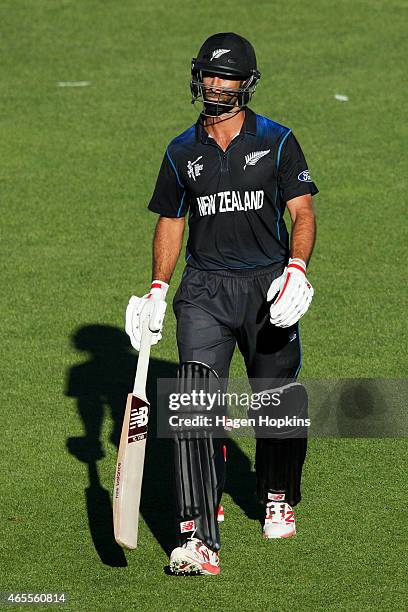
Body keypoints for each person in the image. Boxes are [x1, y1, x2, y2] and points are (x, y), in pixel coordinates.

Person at [125, 32, 318, 575]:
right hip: (204, 291)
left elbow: (302, 213)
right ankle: (198, 537)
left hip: (266, 288)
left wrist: (296, 270)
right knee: (192, 404)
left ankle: (276, 490)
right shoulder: (181, 151)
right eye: (209, 74)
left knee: (278, 403)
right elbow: (170, 221)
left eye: (226, 76)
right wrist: (158, 289)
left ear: (246, 83)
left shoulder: (278, 142)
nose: (215, 84)